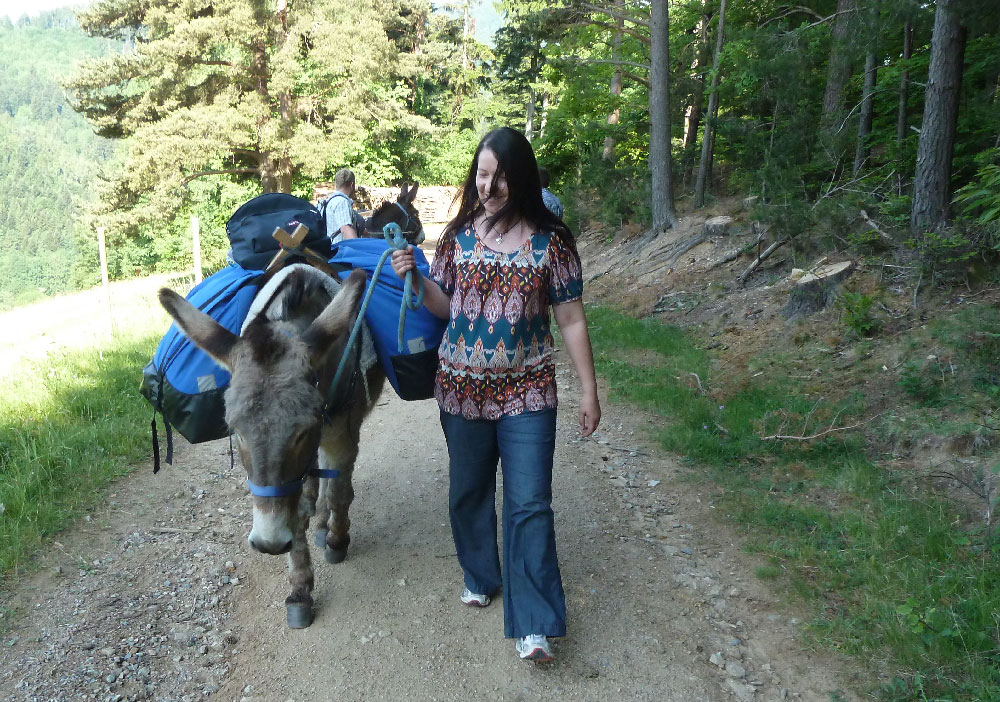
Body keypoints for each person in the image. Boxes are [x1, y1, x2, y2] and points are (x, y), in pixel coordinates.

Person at [390, 127, 601, 663]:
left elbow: (571, 319)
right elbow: (442, 304)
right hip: (461, 388)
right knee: (469, 489)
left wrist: (588, 391)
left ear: (521, 177)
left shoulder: (553, 241)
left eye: (500, 176)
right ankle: (482, 574)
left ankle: (534, 623)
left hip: (528, 389)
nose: (488, 185)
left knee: (530, 500)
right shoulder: (458, 233)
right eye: (482, 174)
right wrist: (415, 277)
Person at [323, 168, 366, 244]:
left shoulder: (330, 200)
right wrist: (358, 249)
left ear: (336, 184)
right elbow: (346, 230)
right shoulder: (342, 202)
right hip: (340, 252)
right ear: (352, 184)